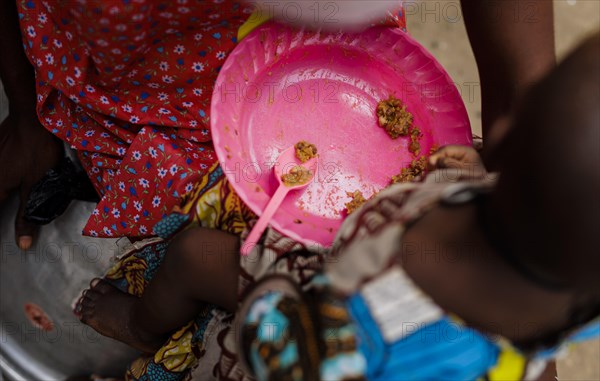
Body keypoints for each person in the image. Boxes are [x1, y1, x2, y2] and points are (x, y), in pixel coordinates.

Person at [75, 33, 600, 380]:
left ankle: (144, 326)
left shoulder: (352, 343)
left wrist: (276, 294)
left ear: (505, 133)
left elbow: (273, 345)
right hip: (338, 285)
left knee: (192, 255)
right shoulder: (578, 295)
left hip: (298, 320)